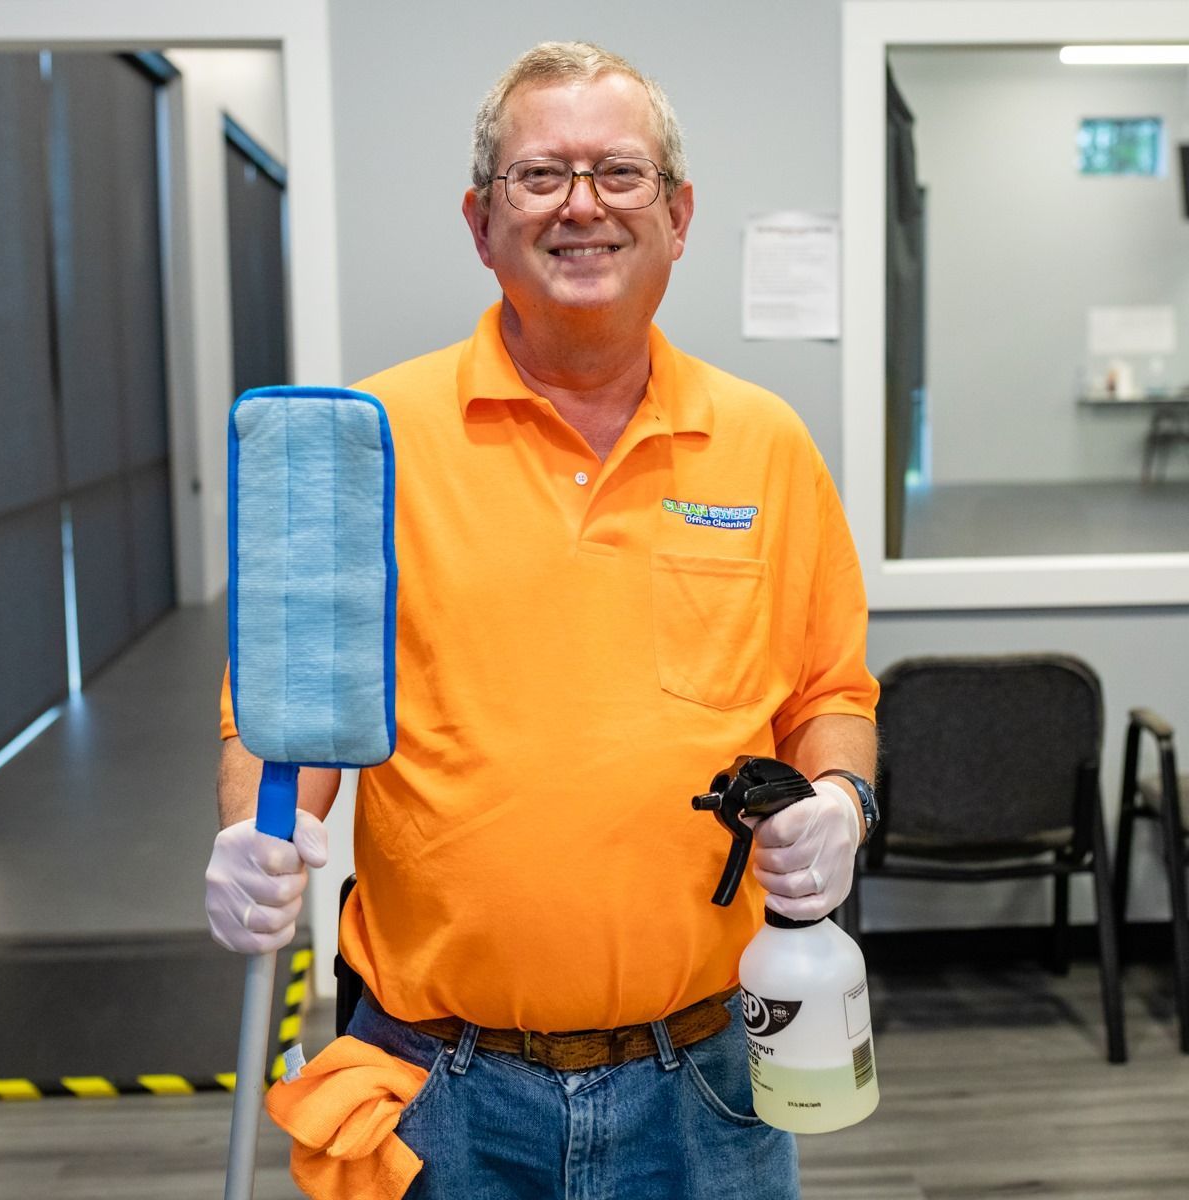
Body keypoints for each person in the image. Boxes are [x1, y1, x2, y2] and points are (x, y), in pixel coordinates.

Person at [206, 40, 878, 1200]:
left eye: (619, 173)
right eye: (540, 176)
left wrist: (839, 801)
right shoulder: (370, 439)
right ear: (481, 221)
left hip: (709, 1082)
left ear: (678, 215)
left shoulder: (766, 444)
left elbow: (829, 690)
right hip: (440, 1091)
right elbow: (286, 711)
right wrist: (250, 836)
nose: (582, 206)